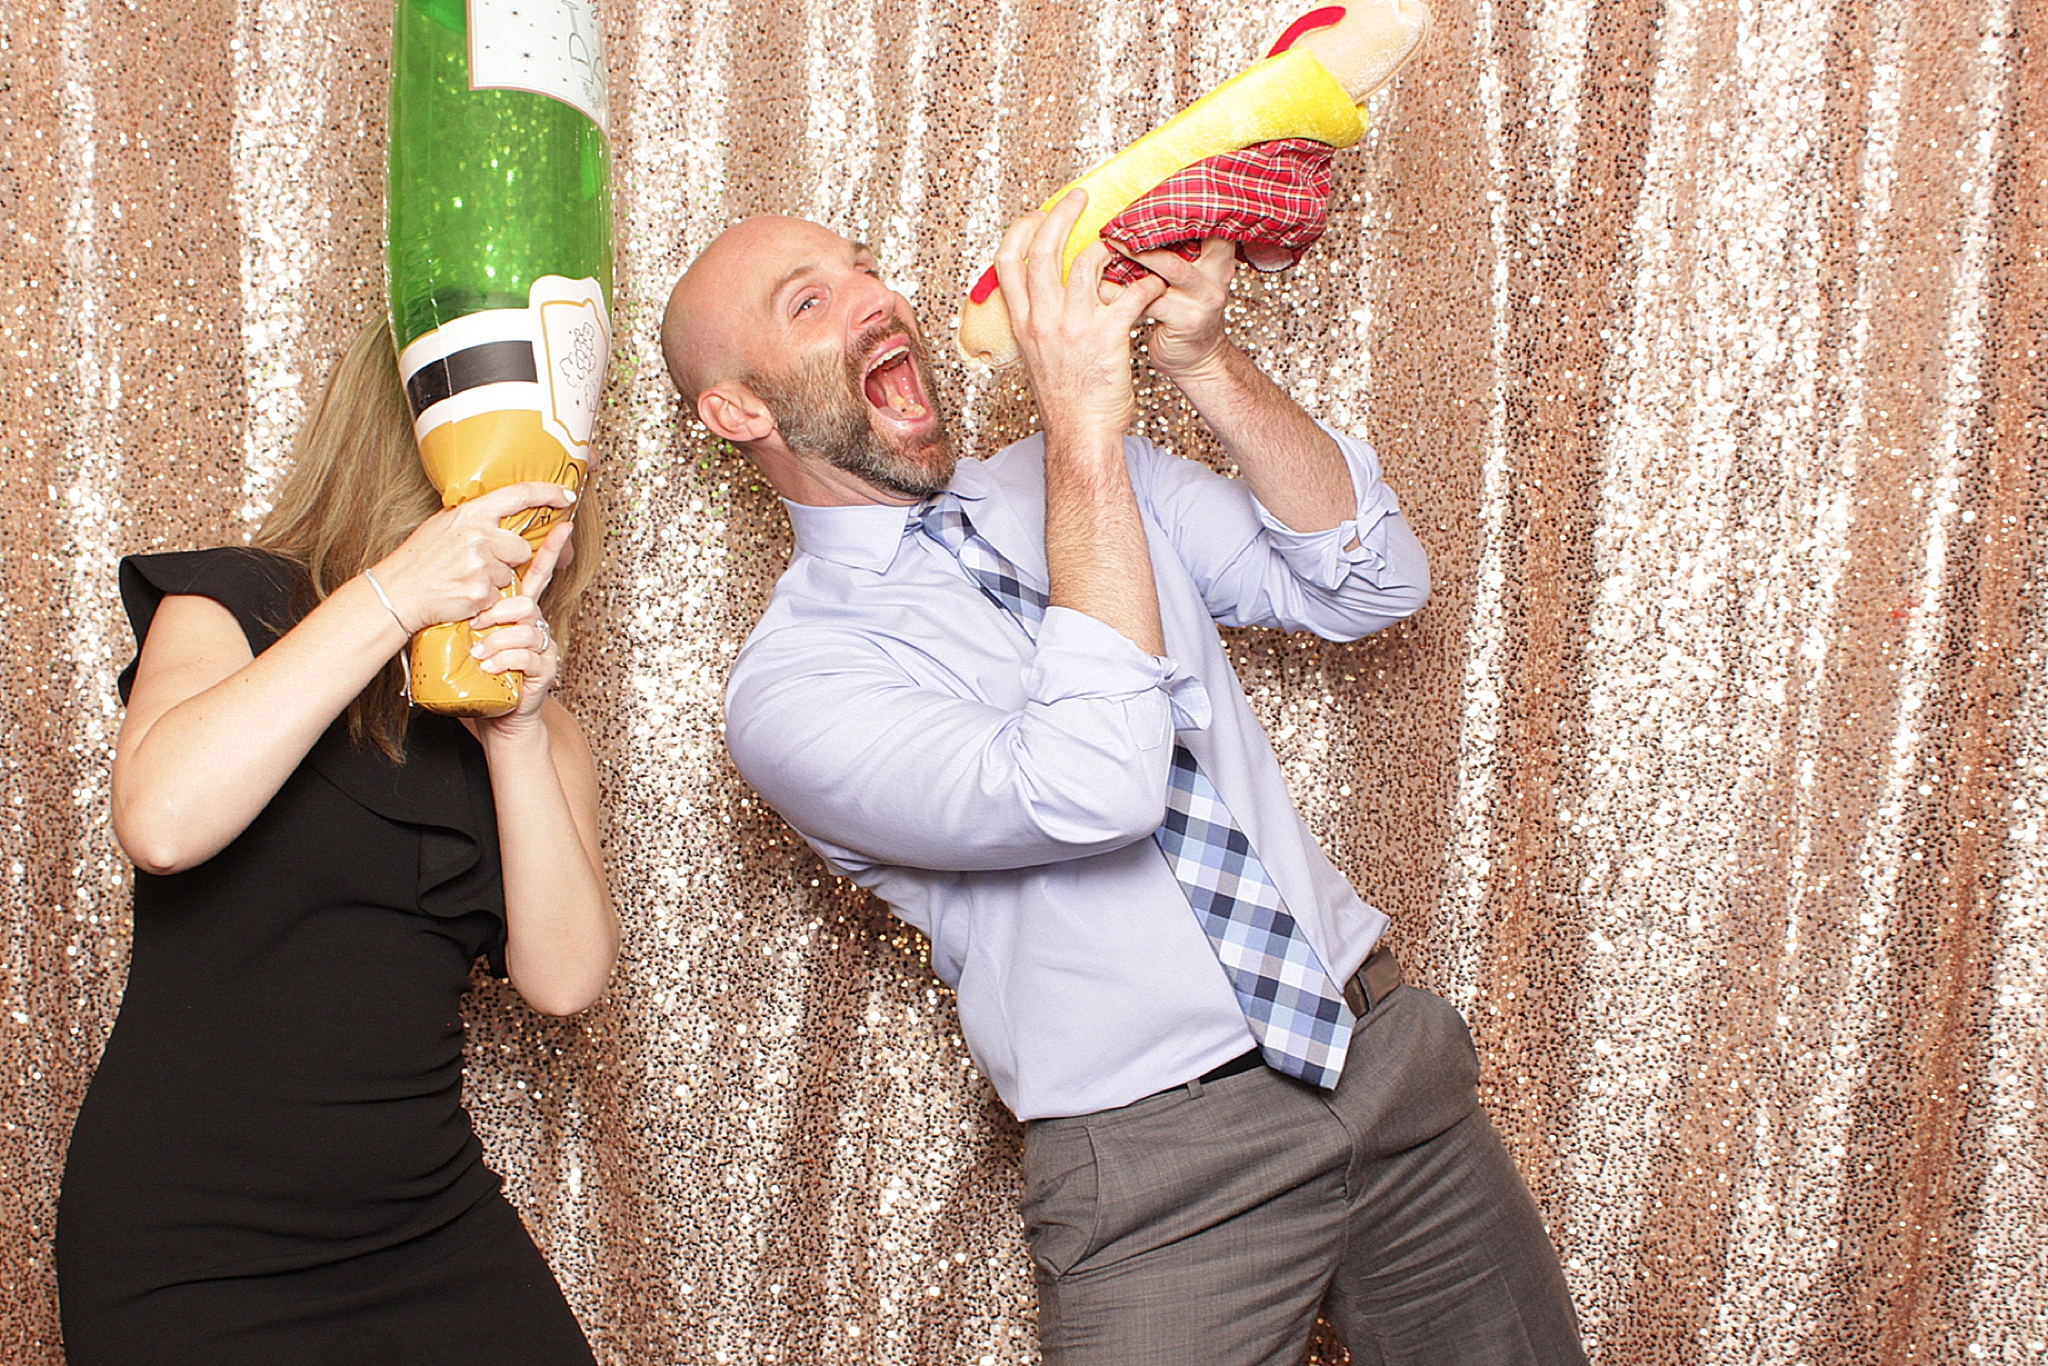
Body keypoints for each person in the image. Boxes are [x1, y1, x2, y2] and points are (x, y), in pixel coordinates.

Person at [662, 191, 1589, 1365]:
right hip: (1159, 1169)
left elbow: (1369, 584)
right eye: (810, 302)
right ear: (736, 406)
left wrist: (1203, 364)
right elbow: (1094, 784)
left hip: (1385, 1064)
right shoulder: (790, 689)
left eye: (864, 271)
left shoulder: (1077, 472)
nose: (877, 299)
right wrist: (1084, 430)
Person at [55, 319, 617, 1366]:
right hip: (193, 1249)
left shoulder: (536, 720)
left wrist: (516, 731)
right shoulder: (229, 604)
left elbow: (566, 977)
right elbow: (163, 822)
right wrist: (397, 594)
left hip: (425, 1226)